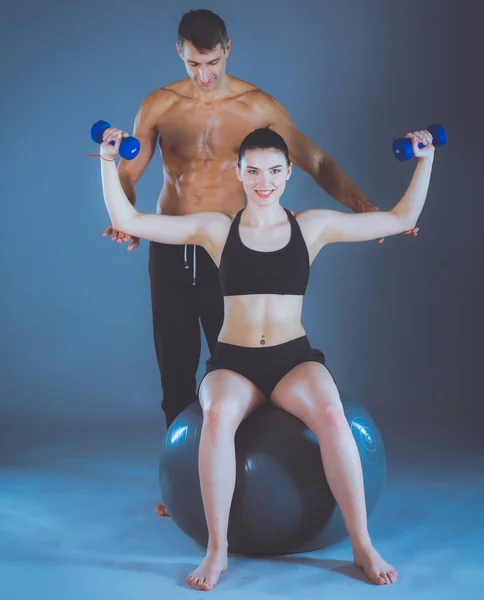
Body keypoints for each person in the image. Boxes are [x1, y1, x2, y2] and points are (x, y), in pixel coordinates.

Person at [103, 10, 418, 518]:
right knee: (174, 365)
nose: (202, 74)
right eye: (192, 63)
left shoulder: (257, 106)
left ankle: (251, 478)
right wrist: (124, 213)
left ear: (228, 48)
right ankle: (181, 479)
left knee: (232, 363)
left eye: (210, 62)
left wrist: (363, 206)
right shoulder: (161, 104)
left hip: (227, 250)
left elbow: (314, 161)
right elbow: (130, 173)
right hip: (174, 241)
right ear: (178, 53)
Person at [97, 123, 435, 590]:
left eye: (274, 171)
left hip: (292, 359)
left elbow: (400, 218)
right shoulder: (215, 228)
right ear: (238, 172)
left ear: (289, 172)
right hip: (234, 361)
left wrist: (426, 159)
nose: (264, 182)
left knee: (334, 415)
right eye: (253, 171)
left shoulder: (312, 226)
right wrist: (108, 162)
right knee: (216, 418)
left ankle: (362, 544)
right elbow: (131, 221)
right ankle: (218, 550)